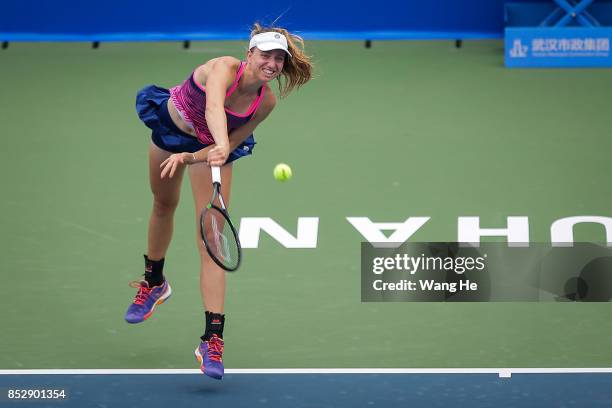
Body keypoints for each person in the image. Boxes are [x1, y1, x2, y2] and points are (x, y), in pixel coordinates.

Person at [124, 24, 313, 380]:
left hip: (207, 151)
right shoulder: (223, 67)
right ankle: (154, 283)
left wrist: (194, 157)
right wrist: (222, 143)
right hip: (172, 129)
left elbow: (226, 140)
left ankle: (212, 339)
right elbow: (213, 107)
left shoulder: (266, 101)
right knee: (163, 204)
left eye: (279, 59)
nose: (272, 64)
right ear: (249, 54)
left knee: (212, 238)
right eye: (266, 55)